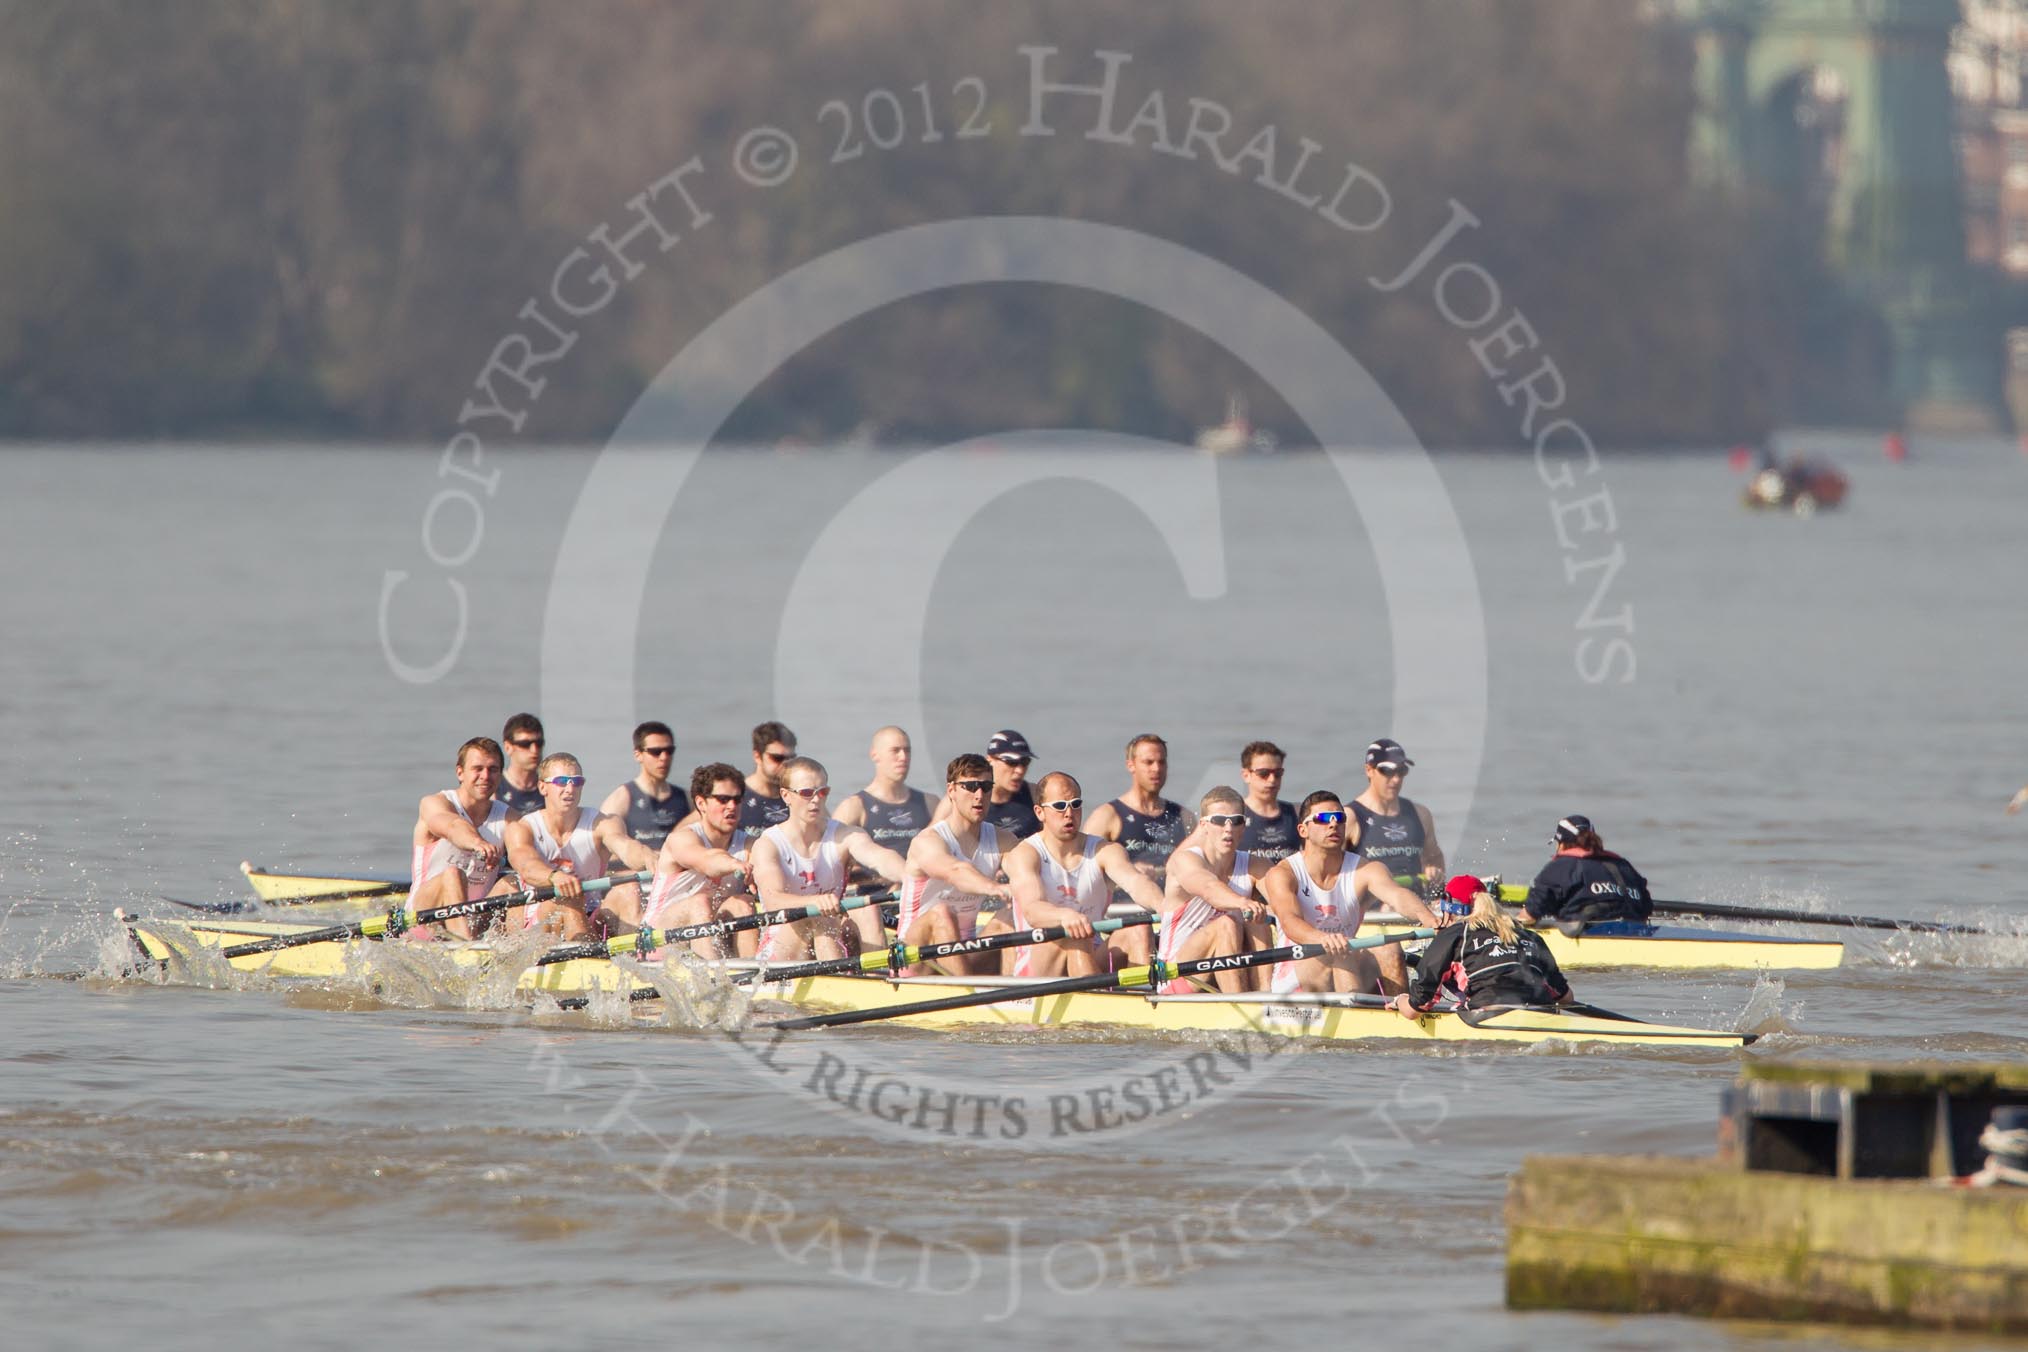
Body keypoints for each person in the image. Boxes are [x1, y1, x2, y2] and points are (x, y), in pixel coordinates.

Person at [1259, 789, 1437, 995]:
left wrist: (1428, 918)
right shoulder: (1283, 873)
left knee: (1389, 948)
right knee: (1341, 954)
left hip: (1344, 961)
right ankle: (1359, 1020)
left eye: (1339, 818)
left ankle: (1402, 1012)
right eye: (1323, 818)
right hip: (1295, 975)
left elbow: (1397, 895)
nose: (1333, 824)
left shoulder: (1365, 869)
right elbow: (1290, 922)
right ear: (1303, 830)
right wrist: (1322, 938)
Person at [1001, 772, 1165, 977]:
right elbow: (1033, 910)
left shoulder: (1104, 850)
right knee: (1075, 935)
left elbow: (1136, 882)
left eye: (1075, 804)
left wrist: (1164, 906)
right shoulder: (1025, 854)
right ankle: (1099, 1001)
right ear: (1040, 812)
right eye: (1060, 806)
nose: (1069, 813)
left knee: (1140, 926)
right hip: (1040, 965)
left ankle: (1143, 999)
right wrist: (1065, 916)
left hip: (1091, 951)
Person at [748, 756, 908, 963]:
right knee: (819, 917)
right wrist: (814, 901)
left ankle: (879, 977)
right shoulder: (768, 844)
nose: (816, 800)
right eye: (806, 793)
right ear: (786, 795)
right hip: (782, 945)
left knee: (868, 909)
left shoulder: (844, 835)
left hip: (830, 930)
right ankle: (841, 980)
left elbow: (880, 857)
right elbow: (773, 899)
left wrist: (909, 875)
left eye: (822, 792)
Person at [502, 751, 649, 939]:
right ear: (542, 787)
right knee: (567, 900)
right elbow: (526, 865)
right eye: (561, 782)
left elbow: (626, 846)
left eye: (576, 782)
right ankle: (586, 954)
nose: (570, 789)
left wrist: (649, 858)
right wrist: (554, 877)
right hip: (543, 918)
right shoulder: (522, 828)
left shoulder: (602, 823)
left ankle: (634, 958)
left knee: (629, 889)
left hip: (591, 915)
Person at [893, 754, 1016, 975]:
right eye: (970, 786)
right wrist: (994, 888)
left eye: (986, 787)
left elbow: (1030, 869)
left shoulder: (1002, 839)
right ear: (951, 791)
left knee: (1010, 916)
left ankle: (1019, 998)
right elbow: (955, 871)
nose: (979, 795)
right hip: (916, 958)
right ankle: (969, 996)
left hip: (964, 952)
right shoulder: (928, 841)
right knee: (942, 912)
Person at [1392, 875, 1573, 1016]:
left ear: (1449, 909)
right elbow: (1566, 998)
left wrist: (1399, 1000)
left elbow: (1417, 1007)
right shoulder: (1530, 936)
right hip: (1541, 1012)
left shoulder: (1454, 936)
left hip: (1487, 1014)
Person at [1156, 787, 1275, 994]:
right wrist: (1242, 902)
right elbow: (1209, 888)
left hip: (1220, 973)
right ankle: (1238, 1002)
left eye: (1236, 821)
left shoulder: (1256, 865)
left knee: (1257, 920)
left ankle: (1266, 996)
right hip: (1176, 977)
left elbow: (1286, 901)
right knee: (1226, 924)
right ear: (1204, 825)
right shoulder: (1185, 860)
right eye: (1220, 821)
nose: (1228, 829)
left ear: (1243, 827)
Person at [642, 762, 759, 960]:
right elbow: (707, 861)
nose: (731, 806)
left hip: (709, 932)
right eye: (722, 799)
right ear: (701, 803)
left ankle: (752, 975)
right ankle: (713, 981)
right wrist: (733, 864)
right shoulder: (681, 839)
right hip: (659, 939)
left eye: (737, 799)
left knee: (743, 903)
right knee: (700, 902)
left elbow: (768, 861)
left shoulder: (749, 844)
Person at [410, 736, 519, 940]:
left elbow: (524, 851)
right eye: (477, 768)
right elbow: (452, 826)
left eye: (493, 769)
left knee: (513, 882)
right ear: (460, 772)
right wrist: (478, 844)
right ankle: (466, 947)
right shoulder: (434, 803)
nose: (485, 776)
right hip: (424, 916)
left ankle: (519, 945)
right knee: (453, 874)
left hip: (474, 917)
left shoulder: (509, 817)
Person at [1084, 733, 1194, 880]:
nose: (1156, 768)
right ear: (1131, 765)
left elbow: (1204, 865)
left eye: (1161, 762)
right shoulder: (1107, 816)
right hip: (1123, 901)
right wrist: (1128, 871)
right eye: (1148, 762)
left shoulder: (1183, 817)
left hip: (1170, 901)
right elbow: (1083, 869)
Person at [1521, 815, 1653, 928]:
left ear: (1561, 844)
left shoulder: (1560, 867)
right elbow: (1647, 907)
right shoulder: (1624, 866)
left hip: (1584, 937)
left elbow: (1528, 917)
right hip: (1634, 933)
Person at [1349, 737, 1443, 889]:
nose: (1396, 779)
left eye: (1401, 771)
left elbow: (1434, 857)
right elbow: (1331, 874)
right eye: (1387, 771)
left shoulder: (1421, 814)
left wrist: (1435, 873)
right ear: (1369, 770)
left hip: (1415, 906)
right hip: (1372, 910)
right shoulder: (1351, 818)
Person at [832, 725, 941, 850]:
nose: (903, 757)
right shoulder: (854, 807)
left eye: (907, 750)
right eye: (895, 751)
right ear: (874, 755)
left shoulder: (930, 803)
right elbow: (829, 856)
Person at [599, 721, 691, 853]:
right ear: (638, 755)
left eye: (669, 751)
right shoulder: (620, 799)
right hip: (639, 870)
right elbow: (604, 850)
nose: (664, 757)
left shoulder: (687, 799)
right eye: (656, 752)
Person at [1237, 740, 1300, 863]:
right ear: (1246, 775)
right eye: (1263, 773)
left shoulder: (1296, 814)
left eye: (1278, 773)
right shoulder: (1232, 816)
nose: (1272, 780)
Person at [979, 729, 1041, 839]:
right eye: (1011, 762)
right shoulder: (961, 798)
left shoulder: (1035, 794)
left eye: (1025, 762)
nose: (1020, 770)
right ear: (989, 761)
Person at [739, 721, 797, 834]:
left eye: (791, 758)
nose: (785, 764)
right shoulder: (733, 797)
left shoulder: (801, 796)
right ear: (757, 756)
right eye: (777, 758)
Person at [496, 713, 547, 815]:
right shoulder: (493, 787)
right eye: (525, 744)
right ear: (508, 748)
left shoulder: (549, 787)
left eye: (539, 743)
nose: (534, 750)